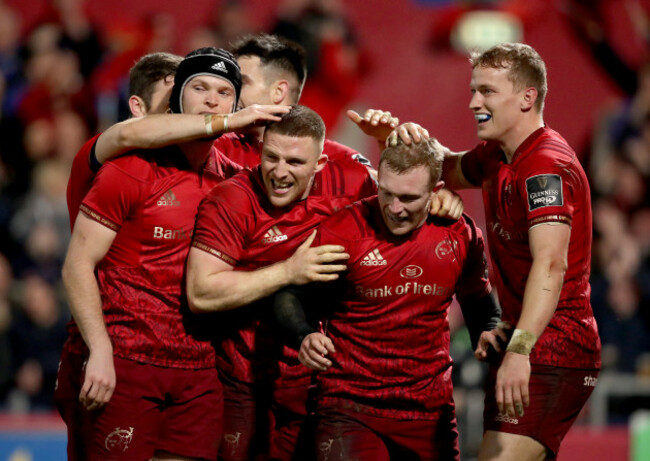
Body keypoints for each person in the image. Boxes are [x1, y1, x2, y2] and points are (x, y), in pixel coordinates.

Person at [55, 47, 287, 460]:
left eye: (223, 92)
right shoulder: (125, 166)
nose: (212, 99)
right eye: (199, 88)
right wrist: (101, 350)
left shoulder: (235, 182)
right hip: (124, 361)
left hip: (199, 370)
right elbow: (77, 266)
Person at [390, 42, 601, 460]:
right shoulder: (497, 155)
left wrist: (521, 349)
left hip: (553, 351)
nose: (473, 102)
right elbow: (443, 168)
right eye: (473, 90)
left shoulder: (544, 166)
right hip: (526, 344)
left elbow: (551, 262)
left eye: (487, 91)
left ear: (527, 98)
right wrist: (397, 138)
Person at [275, 136, 500, 461]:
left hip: (429, 412)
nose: (395, 208)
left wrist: (494, 343)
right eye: (388, 194)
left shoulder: (459, 234)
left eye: (408, 198)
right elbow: (290, 296)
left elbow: (480, 307)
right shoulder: (343, 231)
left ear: (436, 192)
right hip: (349, 407)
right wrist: (304, 334)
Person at [187, 104, 383, 461]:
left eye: (294, 163)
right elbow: (200, 292)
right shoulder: (232, 199)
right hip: (244, 382)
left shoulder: (352, 186)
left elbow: (405, 204)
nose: (278, 172)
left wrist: (442, 201)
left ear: (320, 165)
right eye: (271, 158)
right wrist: (289, 271)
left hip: (324, 384)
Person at [216, 33, 387, 173]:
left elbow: (390, 199)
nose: (230, 90)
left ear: (279, 92)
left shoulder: (337, 161)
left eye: (242, 83)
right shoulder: (214, 147)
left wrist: (385, 143)